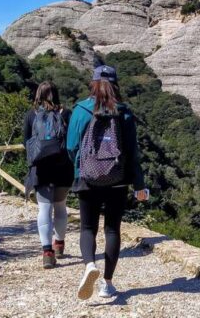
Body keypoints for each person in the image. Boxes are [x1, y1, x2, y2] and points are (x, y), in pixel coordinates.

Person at [66, 64, 149, 300]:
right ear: (115, 84)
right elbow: (133, 153)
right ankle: (107, 284)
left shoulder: (81, 110)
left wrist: (82, 166)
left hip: (87, 178)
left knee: (87, 227)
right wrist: (139, 184)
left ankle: (90, 265)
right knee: (112, 229)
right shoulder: (124, 112)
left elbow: (71, 147)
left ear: (93, 83)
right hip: (118, 179)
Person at [23, 82, 74, 269]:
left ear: (38, 95)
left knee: (44, 209)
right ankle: (59, 244)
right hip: (63, 168)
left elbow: (25, 143)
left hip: (40, 169)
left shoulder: (31, 115)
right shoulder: (66, 114)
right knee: (60, 207)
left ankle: (47, 253)